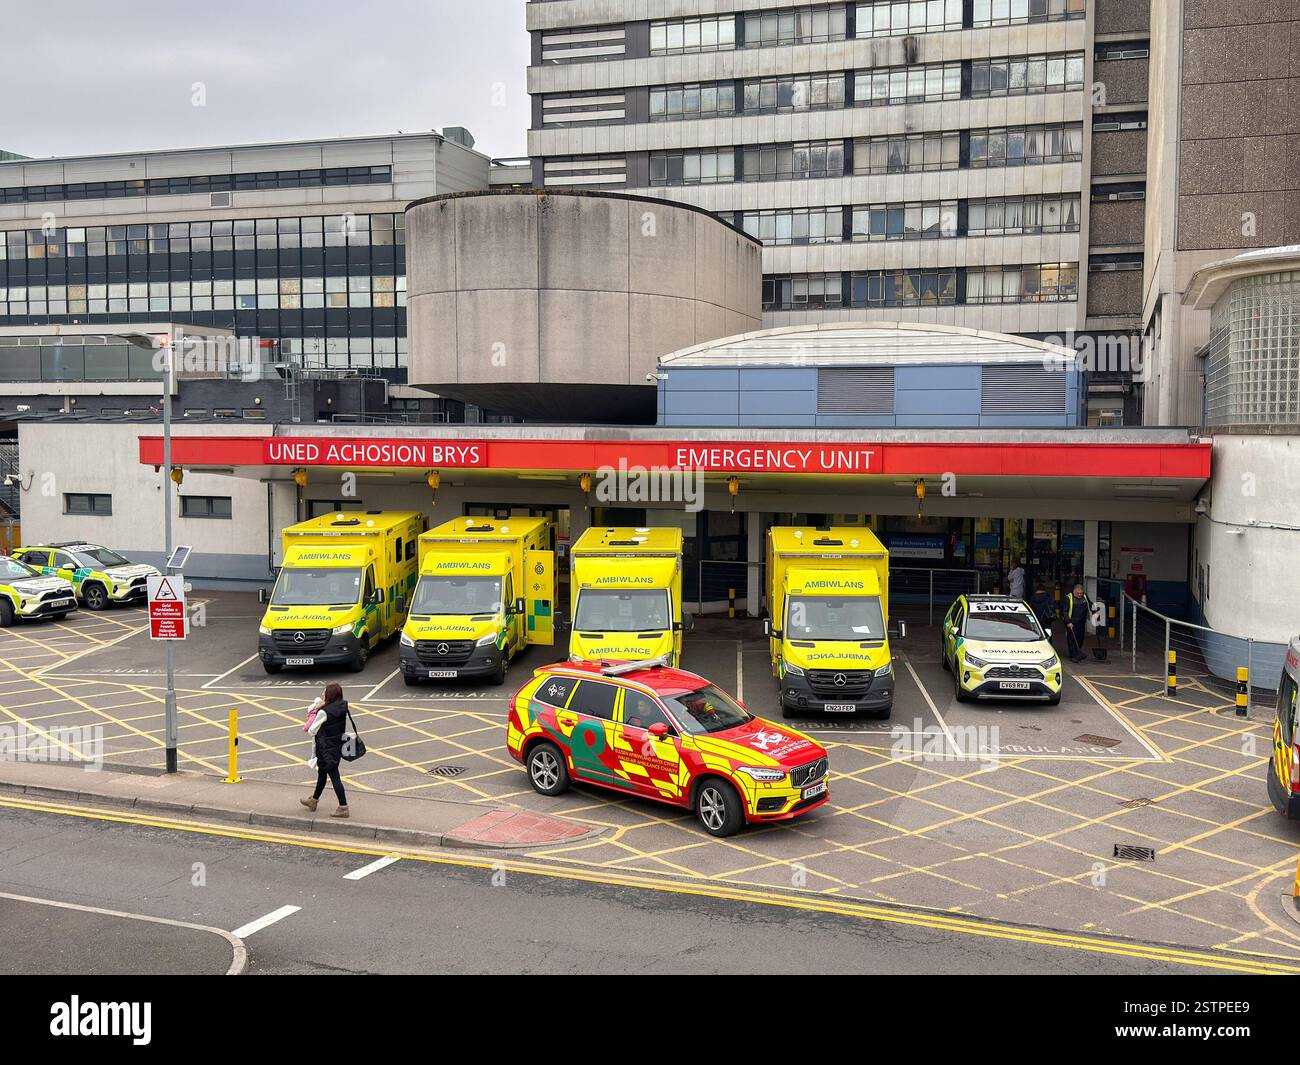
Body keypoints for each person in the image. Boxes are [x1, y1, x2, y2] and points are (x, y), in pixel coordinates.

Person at [300, 682, 351, 818]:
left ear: (330, 695)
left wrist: (315, 711)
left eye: (324, 692)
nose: (322, 694)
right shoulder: (341, 706)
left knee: (334, 776)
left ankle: (343, 806)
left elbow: (312, 730)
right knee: (322, 773)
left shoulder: (324, 711)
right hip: (336, 745)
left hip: (325, 748)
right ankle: (314, 800)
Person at [1065, 584, 1090, 663]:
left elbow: (1090, 604)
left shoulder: (1085, 597)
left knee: (1080, 638)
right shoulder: (1068, 598)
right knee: (1072, 639)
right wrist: (1068, 622)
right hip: (1072, 622)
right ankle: (1073, 655)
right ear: (1074, 592)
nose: (1080, 595)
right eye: (1078, 593)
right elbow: (1065, 611)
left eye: (1081, 593)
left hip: (1081, 622)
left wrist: (1096, 611)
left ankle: (1078, 652)